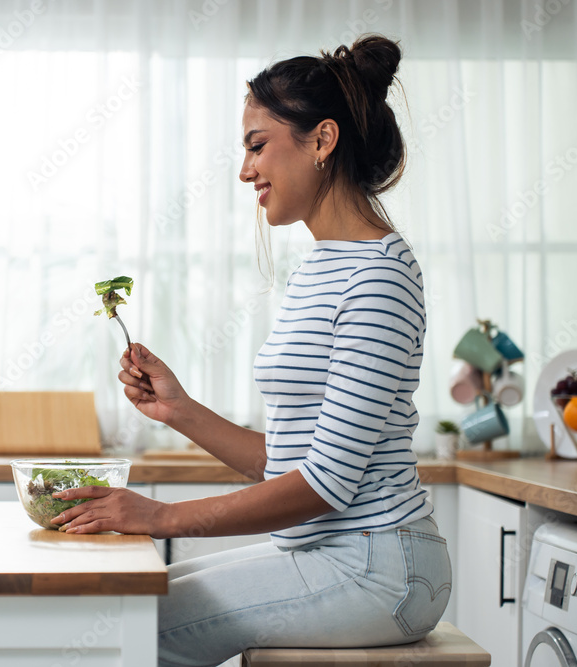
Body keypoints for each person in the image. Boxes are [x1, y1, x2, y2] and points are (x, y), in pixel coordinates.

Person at [50, 34, 452, 667]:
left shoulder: (380, 275)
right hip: (329, 554)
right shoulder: (324, 267)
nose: (245, 171)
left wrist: (158, 515)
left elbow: (324, 484)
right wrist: (179, 410)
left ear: (322, 140)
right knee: (118, 611)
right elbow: (294, 460)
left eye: (257, 145)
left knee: (130, 634)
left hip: (382, 569)